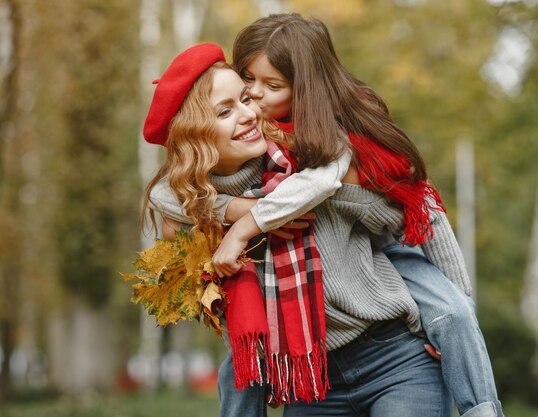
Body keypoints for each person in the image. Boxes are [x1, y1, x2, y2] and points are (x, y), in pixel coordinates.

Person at [209, 13, 504, 417]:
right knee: (235, 369)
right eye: (247, 77)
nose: (255, 93)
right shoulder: (247, 140)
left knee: (452, 313)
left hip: (395, 306)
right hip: (318, 376)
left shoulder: (344, 138)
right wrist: (234, 207)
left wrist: (457, 311)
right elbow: (179, 194)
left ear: (305, 87)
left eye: (272, 85)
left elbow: (425, 210)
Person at [143, 42, 453, 417]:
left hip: (395, 358)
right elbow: (165, 196)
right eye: (226, 111)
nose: (248, 114)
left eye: (245, 99)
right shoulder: (191, 211)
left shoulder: (304, 162)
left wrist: (452, 321)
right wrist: (237, 210)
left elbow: (413, 211)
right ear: (195, 137)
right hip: (313, 382)